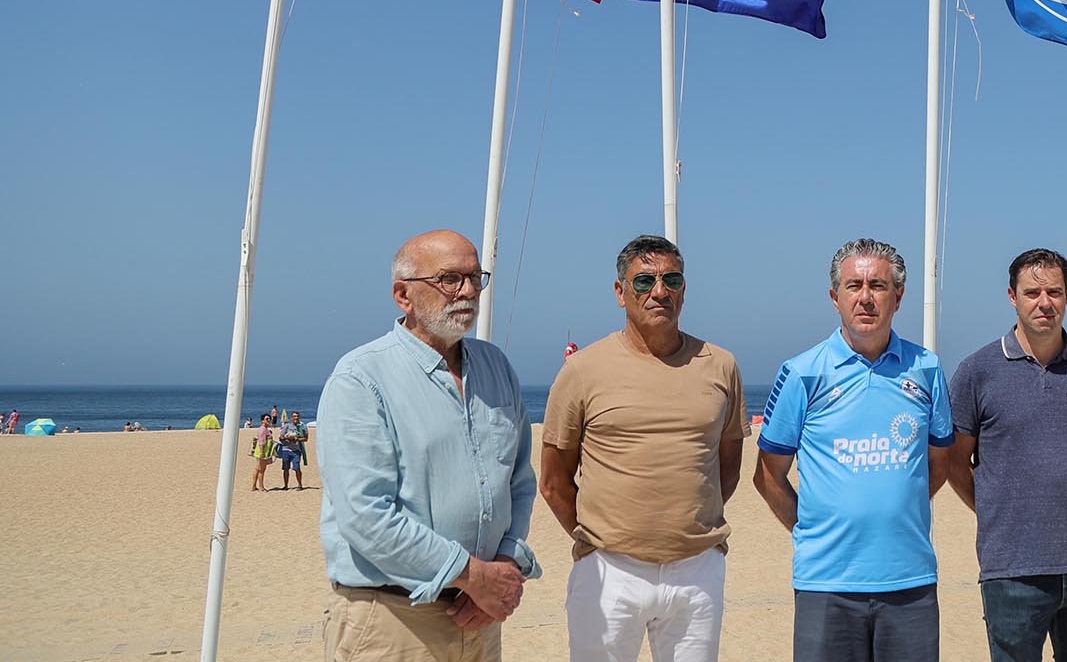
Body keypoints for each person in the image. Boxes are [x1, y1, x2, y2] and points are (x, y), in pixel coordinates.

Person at [317, 229, 540, 660]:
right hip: (394, 622)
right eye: (450, 279)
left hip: (479, 616)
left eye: (476, 278)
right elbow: (365, 515)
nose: (469, 291)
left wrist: (505, 564)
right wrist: (470, 574)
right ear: (403, 295)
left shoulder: (497, 368)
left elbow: (519, 482)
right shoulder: (361, 379)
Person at [543, 235, 749, 662]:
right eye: (644, 282)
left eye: (671, 279)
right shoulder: (582, 370)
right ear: (620, 292)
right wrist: (602, 540)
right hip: (609, 572)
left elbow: (726, 468)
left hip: (697, 570)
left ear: (684, 289)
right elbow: (553, 481)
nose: (660, 292)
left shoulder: (721, 365)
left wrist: (683, 524)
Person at [754, 238, 953, 662]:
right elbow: (767, 475)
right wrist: (812, 528)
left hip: (909, 582)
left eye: (878, 286)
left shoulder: (928, 368)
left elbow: (938, 465)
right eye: (854, 286)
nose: (866, 297)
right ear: (834, 297)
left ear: (898, 296)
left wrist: (895, 509)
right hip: (825, 584)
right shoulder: (801, 372)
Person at [949, 248, 1067, 662]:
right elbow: (956, 463)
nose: (1044, 303)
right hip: (1012, 573)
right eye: (1032, 293)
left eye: (1054, 292)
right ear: (1012, 296)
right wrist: (996, 505)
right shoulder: (978, 371)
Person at [277, 411, 308, 491]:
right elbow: (281, 437)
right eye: (294, 416)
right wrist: (287, 438)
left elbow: (306, 438)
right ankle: (286, 485)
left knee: (297, 468)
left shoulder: (302, 426)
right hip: (286, 449)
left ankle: (300, 485)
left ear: (299, 417)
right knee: (286, 468)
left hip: (296, 450)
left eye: (297, 416)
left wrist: (297, 439)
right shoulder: (287, 426)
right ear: (291, 418)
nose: (296, 418)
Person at [251, 412, 276, 491]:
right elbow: (262, 442)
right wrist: (262, 453)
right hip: (262, 452)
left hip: (263, 451)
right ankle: (261, 487)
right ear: (262, 420)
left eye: (269, 419)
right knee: (261, 469)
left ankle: (254, 486)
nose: (268, 420)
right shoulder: (262, 430)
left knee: (257, 469)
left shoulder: (264, 429)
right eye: (266, 419)